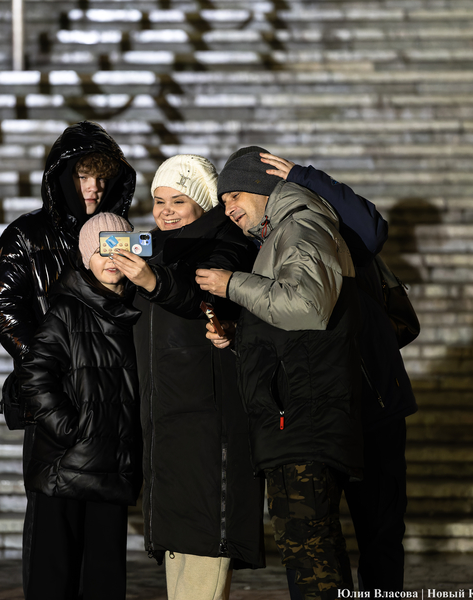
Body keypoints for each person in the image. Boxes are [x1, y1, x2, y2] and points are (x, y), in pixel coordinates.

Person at [196, 146, 363, 600]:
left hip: (303, 419)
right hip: (296, 414)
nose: (228, 209)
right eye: (222, 200)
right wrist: (240, 334)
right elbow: (292, 324)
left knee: (310, 556)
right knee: (311, 552)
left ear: (262, 187)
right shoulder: (282, 232)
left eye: (234, 195)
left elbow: (307, 306)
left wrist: (231, 283)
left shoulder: (301, 225)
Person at [0, 121, 136, 592]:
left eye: (102, 178)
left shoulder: (120, 234)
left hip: (107, 406)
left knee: (103, 551)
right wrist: (47, 366)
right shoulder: (27, 234)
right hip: (55, 406)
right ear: (61, 178)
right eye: (82, 176)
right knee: (52, 541)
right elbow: (2, 304)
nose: (94, 188)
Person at [259, 153, 417, 593]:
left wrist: (305, 176)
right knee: (317, 537)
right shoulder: (267, 243)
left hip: (373, 405)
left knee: (381, 533)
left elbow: (372, 229)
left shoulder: (337, 233)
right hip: (316, 413)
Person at [110, 155, 264, 600]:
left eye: (178, 200)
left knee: (204, 539)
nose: (166, 211)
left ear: (203, 201)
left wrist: (153, 282)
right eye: (159, 201)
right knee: (178, 546)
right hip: (163, 417)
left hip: (207, 421)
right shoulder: (152, 247)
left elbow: (206, 293)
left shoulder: (228, 242)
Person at [17, 212, 142, 600]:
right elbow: (34, 375)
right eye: (101, 250)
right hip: (66, 467)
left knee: (104, 581)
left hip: (112, 467)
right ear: (86, 257)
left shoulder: (140, 310)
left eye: (118, 249)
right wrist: (73, 430)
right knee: (53, 581)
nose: (110, 259)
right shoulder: (67, 310)